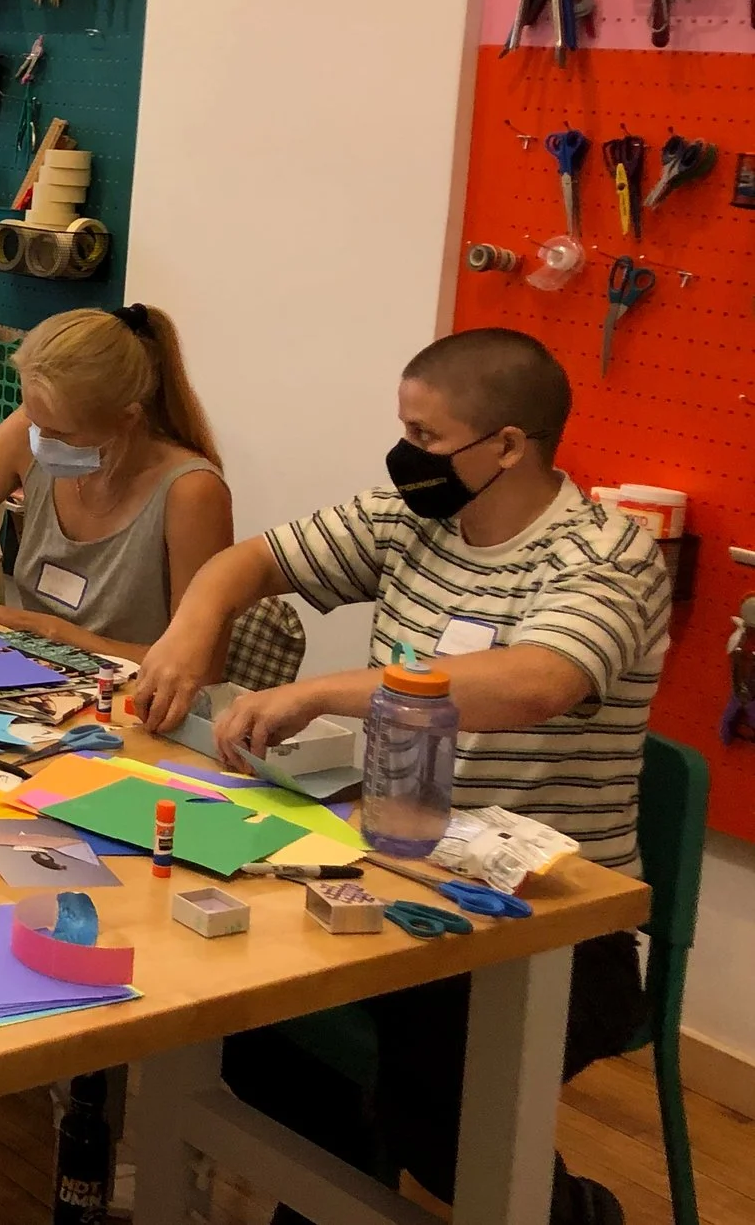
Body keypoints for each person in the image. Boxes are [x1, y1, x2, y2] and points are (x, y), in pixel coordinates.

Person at [137, 329, 661, 1225]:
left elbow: (539, 682)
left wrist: (327, 692)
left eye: (426, 438)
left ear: (508, 446)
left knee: (441, 1109)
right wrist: (196, 621)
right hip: (394, 862)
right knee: (244, 1004)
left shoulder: (604, 557)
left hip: (551, 919)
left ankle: (574, 1213)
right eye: (403, 430)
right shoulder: (409, 517)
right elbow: (251, 560)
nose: (404, 456)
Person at [0, 304, 232, 661]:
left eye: (61, 433)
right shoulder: (29, 432)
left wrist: (49, 631)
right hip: (30, 671)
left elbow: (198, 667)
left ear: (126, 419)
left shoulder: (191, 492)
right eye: (33, 421)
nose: (39, 441)